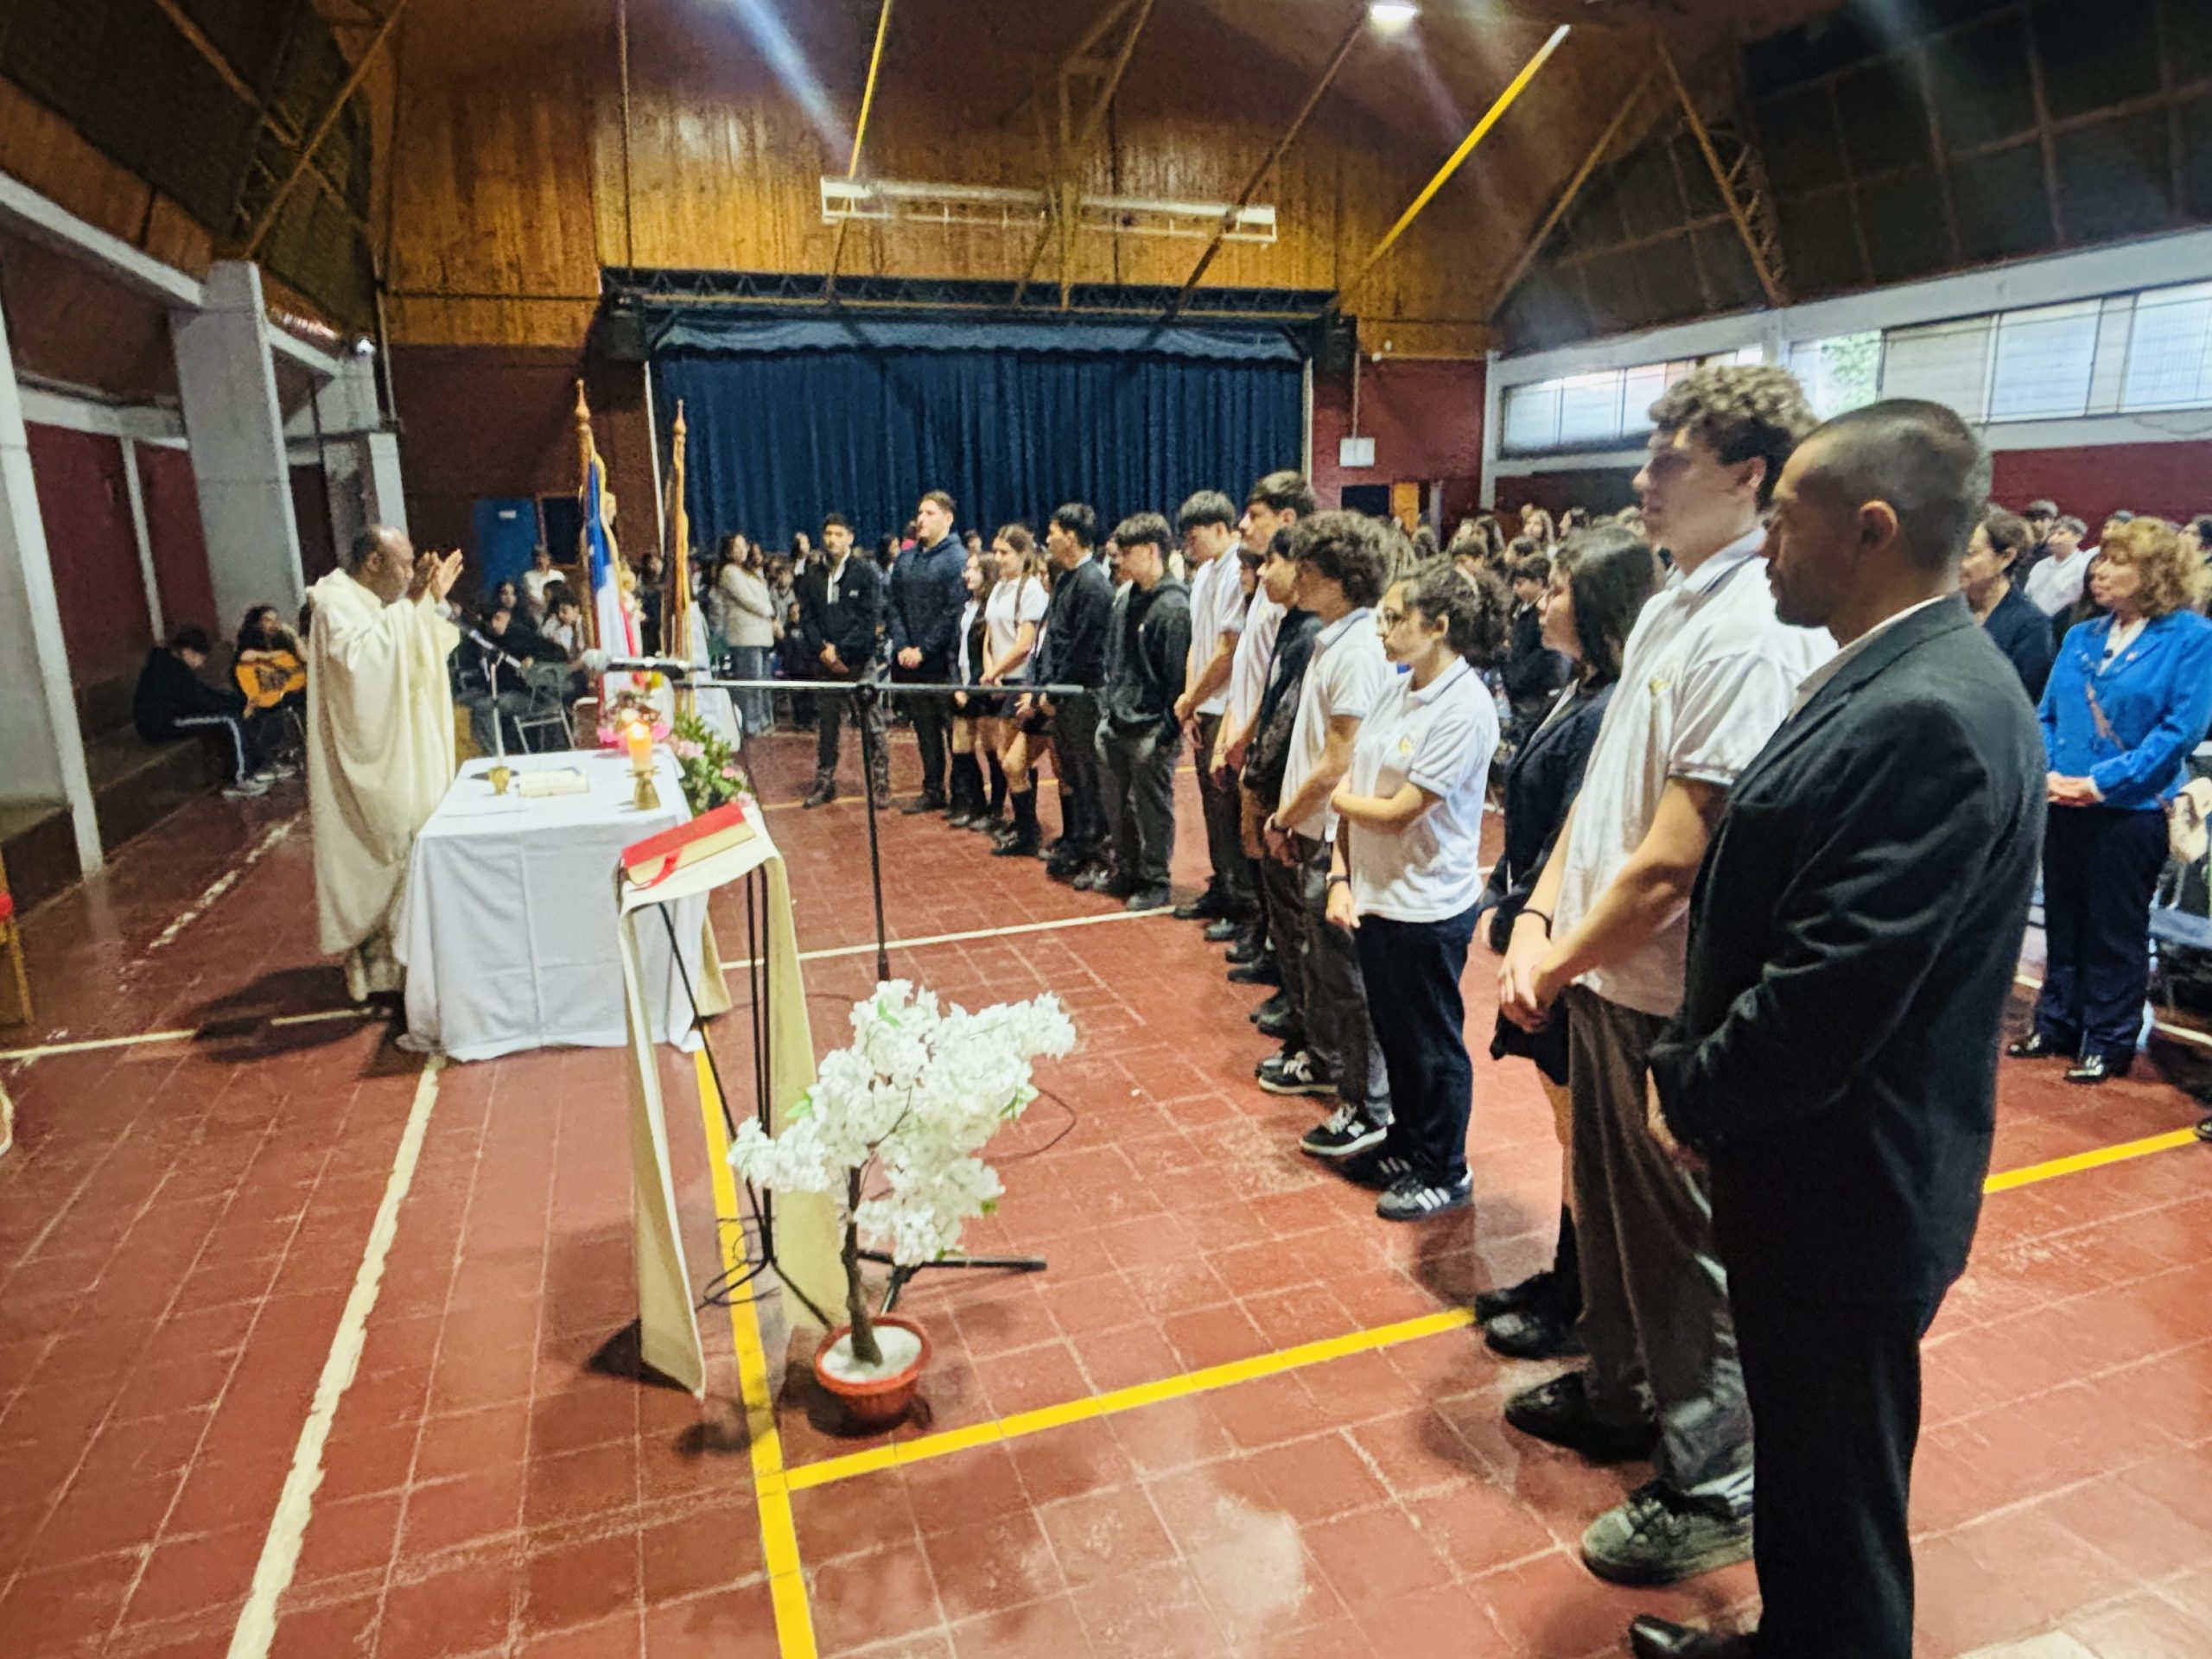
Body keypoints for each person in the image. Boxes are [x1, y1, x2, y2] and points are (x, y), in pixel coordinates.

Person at [1628, 401, 2046, 1659]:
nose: (1765, 544)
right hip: (1828, 1169)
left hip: (1846, 1182)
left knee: (1838, 1487)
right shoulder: (1898, 674)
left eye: (1784, 519)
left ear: (1872, 529)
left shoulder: (1927, 711)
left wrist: (1690, 1090)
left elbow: (1829, 992)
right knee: (1812, 1474)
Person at [1497, 364, 1829, 1586]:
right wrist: (1541, 915)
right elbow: (1605, 799)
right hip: (1602, 970)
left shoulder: (1751, 629)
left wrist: (1559, 958)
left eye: (1668, 461)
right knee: (1613, 1218)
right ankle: (1622, 1391)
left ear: (1748, 475)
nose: (1641, 480)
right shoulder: (1675, 601)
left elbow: (1678, 857)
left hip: (1669, 987)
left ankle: (1714, 1482)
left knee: (1686, 1251)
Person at [1477, 526, 1663, 1361]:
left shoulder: (1610, 705)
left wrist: (1533, 923)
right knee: (1567, 1127)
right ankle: (1568, 1276)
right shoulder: (1578, 686)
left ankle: (1584, 1298)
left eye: (1557, 589)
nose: (1542, 601)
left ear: (1597, 605)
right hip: (1540, 922)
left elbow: (1574, 837)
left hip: (1570, 945)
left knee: (1581, 1134)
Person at [1325, 563, 1510, 1219]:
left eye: (1395, 618)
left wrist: (1335, 800)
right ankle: (1406, 1143)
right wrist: (1341, 874)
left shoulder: (1464, 707)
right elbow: (1361, 788)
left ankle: (1445, 1167)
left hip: (1427, 905)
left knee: (1432, 1044)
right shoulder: (1398, 688)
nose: (1382, 629)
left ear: (1439, 626)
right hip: (1380, 896)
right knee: (1397, 1036)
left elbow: (1401, 810)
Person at [2012, 516, 2212, 1084]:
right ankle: (2055, 1024)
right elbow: (2047, 713)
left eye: (2118, 561)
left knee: (2114, 929)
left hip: (2133, 809)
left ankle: (2108, 1038)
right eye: (2101, 558)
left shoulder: (2192, 639)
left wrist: (2099, 783)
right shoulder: (2082, 636)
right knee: (2064, 917)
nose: (2100, 570)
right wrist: (2053, 774)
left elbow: (2179, 731)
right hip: (2063, 800)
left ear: (2157, 573)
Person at [1263, 512, 1393, 1139]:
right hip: (1312, 827)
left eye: (1307, 569)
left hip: (1333, 834)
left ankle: (1368, 1104)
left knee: (1347, 975)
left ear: (1336, 579)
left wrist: (1284, 815)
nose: (1296, 577)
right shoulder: (1330, 640)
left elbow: (1340, 759)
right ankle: (1327, 1062)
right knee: (1320, 963)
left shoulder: (1360, 651)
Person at [307, 525, 462, 1002]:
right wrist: (415, 601)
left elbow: (413, 651)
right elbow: (364, 670)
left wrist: (428, 602)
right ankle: (380, 966)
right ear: (373, 562)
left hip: (407, 750)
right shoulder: (334, 603)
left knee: (415, 841)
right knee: (387, 847)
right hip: (373, 761)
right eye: (404, 563)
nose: (411, 572)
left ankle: (411, 965)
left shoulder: (376, 604)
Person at [1217, 473, 1316, 978]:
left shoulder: (1301, 608)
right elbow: (1251, 672)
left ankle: (1283, 964)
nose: (1243, 524)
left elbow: (1282, 690)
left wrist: (1251, 743)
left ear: (1287, 518)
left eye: (1254, 515)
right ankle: (1266, 938)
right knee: (1254, 845)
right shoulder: (1262, 587)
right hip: (1254, 737)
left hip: (1278, 753)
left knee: (1283, 867)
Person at [1092, 512, 1191, 912]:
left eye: (1126, 552)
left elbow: (1178, 679)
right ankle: (1127, 869)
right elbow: (1114, 660)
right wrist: (1108, 713)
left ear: (1152, 551)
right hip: (1117, 722)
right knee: (1117, 807)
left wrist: (1165, 732)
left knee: (1152, 808)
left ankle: (1155, 879)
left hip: (1150, 729)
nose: (1117, 560)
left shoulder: (1174, 607)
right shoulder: (1123, 599)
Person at [1169, 492, 1254, 928]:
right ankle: (1223, 884)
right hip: (1204, 702)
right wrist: (1189, 701)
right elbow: (1197, 644)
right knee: (1211, 806)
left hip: (1226, 703)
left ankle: (1243, 901)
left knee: (1229, 806)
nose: (1189, 543)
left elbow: (1228, 649)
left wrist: (1194, 698)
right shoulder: (1203, 574)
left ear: (1221, 528)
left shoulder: (1238, 571)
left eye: (1195, 534)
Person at [1027, 503, 1114, 883]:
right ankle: (1079, 842)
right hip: (1063, 694)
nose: (1047, 539)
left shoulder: (1094, 584)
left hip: (1082, 696)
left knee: (1090, 777)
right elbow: (1054, 641)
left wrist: (1055, 693)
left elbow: (1083, 649)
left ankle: (1100, 854)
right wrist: (1047, 686)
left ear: (1072, 536)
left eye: (1053, 532)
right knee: (1073, 776)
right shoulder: (1066, 580)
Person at [797, 512, 887, 807]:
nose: (832, 540)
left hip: (859, 661)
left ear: (850, 537)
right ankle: (825, 781)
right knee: (828, 727)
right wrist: (823, 650)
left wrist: (842, 651)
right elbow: (807, 617)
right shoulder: (812, 575)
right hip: (825, 664)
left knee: (872, 724)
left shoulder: (865, 572)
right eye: (828, 534)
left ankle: (880, 783)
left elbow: (869, 619)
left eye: (838, 534)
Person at [889, 491, 969, 813]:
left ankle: (963, 796)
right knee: (924, 729)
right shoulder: (905, 559)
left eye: (930, 513)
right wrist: (902, 645)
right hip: (912, 662)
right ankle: (932, 788)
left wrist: (924, 649)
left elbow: (953, 612)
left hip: (944, 662)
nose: (921, 519)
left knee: (954, 732)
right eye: (920, 512)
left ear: (948, 518)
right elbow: (893, 606)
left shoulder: (957, 559)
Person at [133, 627, 280, 798]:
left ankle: (258, 764)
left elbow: (203, 694)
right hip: (162, 722)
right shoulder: (167, 669)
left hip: (176, 714)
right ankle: (240, 779)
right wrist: (235, 705)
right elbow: (198, 701)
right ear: (187, 652)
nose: (202, 664)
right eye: (200, 658)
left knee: (234, 714)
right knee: (229, 721)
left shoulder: (174, 666)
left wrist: (239, 702)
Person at [981, 525, 1051, 857]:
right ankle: (1024, 823)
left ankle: (1027, 830)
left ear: (1023, 554)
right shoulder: (998, 587)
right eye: (995, 551)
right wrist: (990, 671)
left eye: (1005, 552)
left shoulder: (1031, 588)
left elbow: (1025, 644)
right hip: (1001, 678)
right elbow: (990, 635)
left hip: (1021, 680)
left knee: (1012, 760)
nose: (998, 558)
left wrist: (997, 670)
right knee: (1006, 756)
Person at [1963, 506, 2055, 702]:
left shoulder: (2031, 626)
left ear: (2005, 558)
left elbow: (2023, 701)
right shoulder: (1948, 608)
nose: (1956, 562)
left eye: (1969, 553)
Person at [946, 549, 999, 833]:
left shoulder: (992, 608)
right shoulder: (964, 607)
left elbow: (991, 651)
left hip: (983, 689)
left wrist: (974, 686)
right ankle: (975, 804)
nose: (967, 575)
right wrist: (957, 686)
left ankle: (996, 810)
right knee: (961, 748)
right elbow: (953, 650)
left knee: (992, 750)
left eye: (974, 569)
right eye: (966, 569)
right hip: (962, 686)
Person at [1500, 552, 1568, 741]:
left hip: (1536, 692)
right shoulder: (1520, 608)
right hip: (1518, 687)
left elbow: (1550, 658)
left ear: (1539, 583)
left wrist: (1521, 675)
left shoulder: (1544, 616)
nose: (1516, 589)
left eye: (1521, 583)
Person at [718, 540, 779, 738]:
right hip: (745, 636)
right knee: (751, 684)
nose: (742, 550)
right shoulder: (729, 572)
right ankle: (751, 725)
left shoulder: (749, 572)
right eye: (736, 547)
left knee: (763, 682)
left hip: (762, 635)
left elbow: (764, 597)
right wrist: (770, 612)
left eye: (743, 546)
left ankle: (765, 721)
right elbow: (748, 599)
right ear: (728, 552)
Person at [2022, 514, 2089, 617]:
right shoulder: (2041, 565)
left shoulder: (2083, 568)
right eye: (2052, 534)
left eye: (2061, 534)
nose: (2053, 539)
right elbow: (2027, 594)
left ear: (2077, 538)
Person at [520, 545, 559, 617]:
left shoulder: (558, 575)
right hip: (535, 613)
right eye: (538, 558)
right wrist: (542, 606)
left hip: (556, 613)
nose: (541, 561)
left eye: (543, 557)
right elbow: (527, 595)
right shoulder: (528, 576)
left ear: (549, 559)